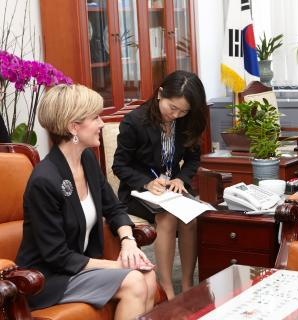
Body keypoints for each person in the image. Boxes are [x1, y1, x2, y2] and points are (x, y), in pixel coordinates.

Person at [16, 84, 157, 319]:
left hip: (79, 267)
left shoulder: (87, 161)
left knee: (148, 277)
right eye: (95, 117)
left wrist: (128, 241)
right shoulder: (44, 180)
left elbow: (114, 208)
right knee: (134, 280)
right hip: (47, 278)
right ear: (73, 127)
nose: (102, 123)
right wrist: (120, 266)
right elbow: (57, 256)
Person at [113, 70, 207, 299]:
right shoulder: (135, 122)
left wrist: (181, 178)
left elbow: (194, 158)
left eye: (183, 111)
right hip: (138, 192)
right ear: (161, 93)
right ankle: (167, 291)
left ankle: (187, 285)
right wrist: (146, 183)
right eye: (172, 108)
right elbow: (120, 165)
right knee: (166, 216)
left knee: (190, 218)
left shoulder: (186, 121)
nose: (176, 115)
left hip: (172, 189)